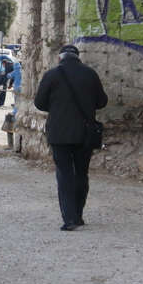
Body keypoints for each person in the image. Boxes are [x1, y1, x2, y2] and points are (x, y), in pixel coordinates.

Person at [34, 44, 108, 231]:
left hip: (59, 133)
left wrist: (58, 105)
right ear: (78, 57)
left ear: (59, 58)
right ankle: (79, 214)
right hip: (84, 132)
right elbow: (102, 102)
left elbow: (40, 103)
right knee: (82, 173)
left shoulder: (51, 74)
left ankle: (69, 219)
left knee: (65, 174)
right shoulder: (90, 73)